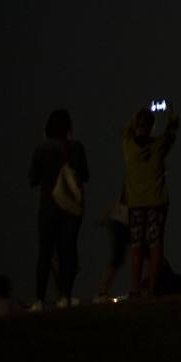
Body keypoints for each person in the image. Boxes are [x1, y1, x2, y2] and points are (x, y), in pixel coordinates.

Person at [28, 109, 89, 310]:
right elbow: (85, 175)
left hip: (48, 206)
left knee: (45, 252)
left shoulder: (41, 148)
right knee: (68, 250)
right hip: (71, 207)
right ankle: (66, 296)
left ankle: (39, 299)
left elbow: (33, 179)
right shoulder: (77, 147)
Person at [123, 105, 180, 297]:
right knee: (156, 245)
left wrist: (139, 112)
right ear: (151, 126)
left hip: (135, 203)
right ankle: (153, 288)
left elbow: (127, 129)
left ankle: (135, 288)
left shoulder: (128, 146)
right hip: (157, 201)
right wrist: (171, 117)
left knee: (136, 246)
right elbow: (172, 132)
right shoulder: (159, 146)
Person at [94, 191, 129, 300]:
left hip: (121, 223)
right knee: (117, 258)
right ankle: (101, 292)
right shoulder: (134, 187)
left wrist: (105, 216)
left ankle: (102, 292)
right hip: (122, 223)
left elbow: (116, 205)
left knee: (118, 258)